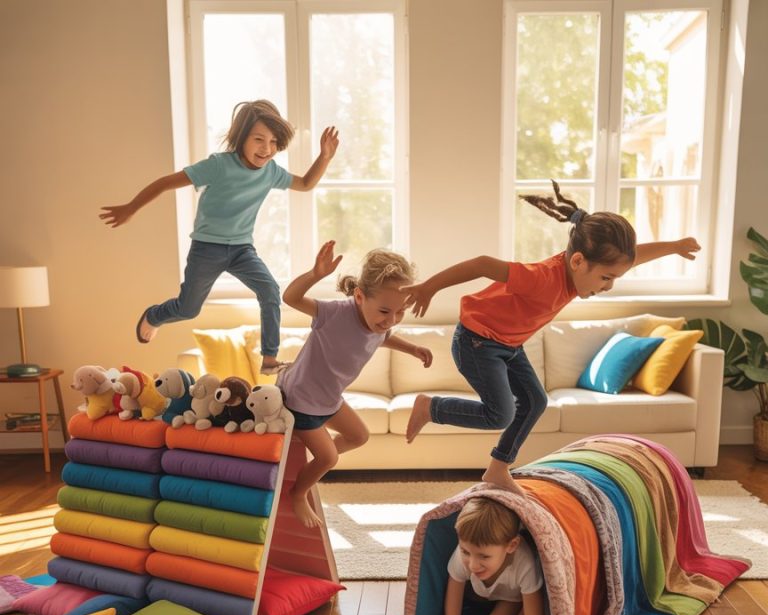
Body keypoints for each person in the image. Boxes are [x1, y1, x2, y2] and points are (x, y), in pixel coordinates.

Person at [403, 180, 701, 494]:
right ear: (578, 262)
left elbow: (634, 256)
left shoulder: (578, 269)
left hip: (508, 344)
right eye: (606, 278)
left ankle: (497, 469)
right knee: (500, 414)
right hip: (477, 342)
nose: (608, 286)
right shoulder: (542, 278)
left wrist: (674, 246)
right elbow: (482, 265)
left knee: (534, 401)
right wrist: (429, 287)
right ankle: (431, 408)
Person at [100, 100, 339, 373]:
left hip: (242, 250)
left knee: (270, 291)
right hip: (207, 248)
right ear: (241, 138)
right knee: (188, 309)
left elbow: (306, 184)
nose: (266, 148)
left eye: (273, 142)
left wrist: (325, 157)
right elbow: (166, 183)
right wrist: (131, 208)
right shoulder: (219, 166)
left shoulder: (271, 172)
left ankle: (269, 359)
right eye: (258, 139)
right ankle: (154, 315)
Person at [280, 240, 433, 528]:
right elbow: (290, 297)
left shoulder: (378, 324)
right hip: (301, 399)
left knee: (359, 436)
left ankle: (309, 456)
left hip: (329, 400)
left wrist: (412, 348)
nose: (391, 320)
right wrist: (315, 274)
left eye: (400, 312)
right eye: (385, 311)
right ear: (360, 296)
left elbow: (383, 337)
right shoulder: (334, 313)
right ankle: (298, 493)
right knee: (329, 459)